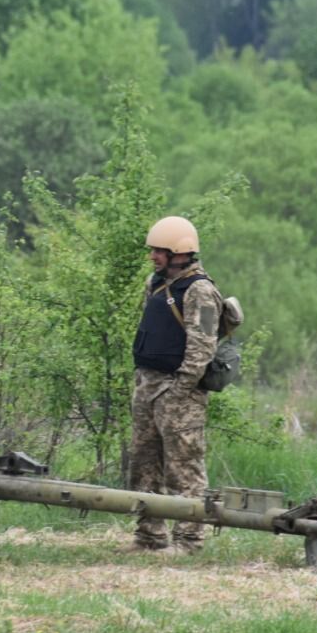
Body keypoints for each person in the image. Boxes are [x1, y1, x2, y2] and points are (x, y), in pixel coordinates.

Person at [128, 216, 223, 554]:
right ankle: (149, 537)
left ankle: (189, 540)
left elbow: (203, 344)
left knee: (184, 468)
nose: (153, 256)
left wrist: (181, 389)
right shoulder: (155, 283)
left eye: (159, 251)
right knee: (144, 464)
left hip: (178, 389)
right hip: (148, 384)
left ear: (179, 252)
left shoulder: (201, 290)